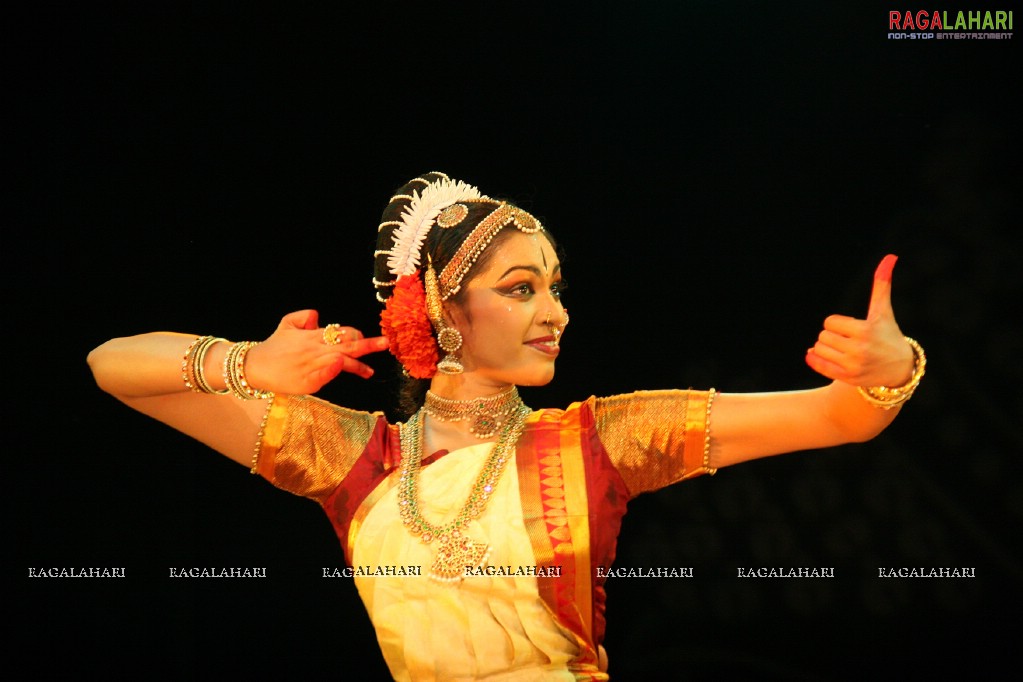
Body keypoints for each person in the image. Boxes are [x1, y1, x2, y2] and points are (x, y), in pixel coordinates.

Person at [88, 171, 925, 680]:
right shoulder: (355, 458)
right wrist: (251, 367)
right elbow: (112, 365)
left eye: (555, 288)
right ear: (440, 307)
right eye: (522, 287)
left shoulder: (597, 440)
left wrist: (888, 372)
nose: (554, 311)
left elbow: (838, 417)